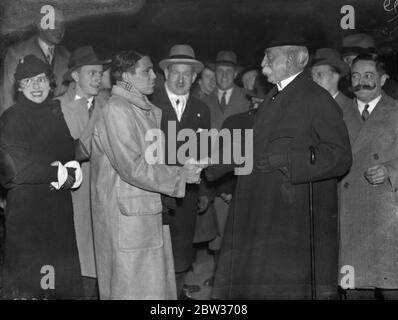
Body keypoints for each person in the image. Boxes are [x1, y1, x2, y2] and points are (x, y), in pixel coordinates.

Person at [211, 38, 352, 299]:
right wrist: (211, 163)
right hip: (264, 214)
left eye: (269, 56)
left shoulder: (316, 99)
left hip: (292, 222)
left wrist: (288, 159)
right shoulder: (275, 97)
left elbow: (339, 156)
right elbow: (256, 149)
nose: (263, 63)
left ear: (297, 59)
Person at [90, 50, 205, 300]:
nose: (155, 76)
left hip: (143, 213)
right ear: (125, 77)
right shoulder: (117, 110)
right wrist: (180, 176)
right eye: (146, 71)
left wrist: (185, 170)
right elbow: (132, 167)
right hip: (127, 219)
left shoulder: (140, 109)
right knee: (131, 290)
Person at [0, 55, 83, 299]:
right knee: (30, 288)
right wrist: (60, 172)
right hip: (28, 217)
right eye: (28, 81)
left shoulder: (54, 112)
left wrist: (70, 169)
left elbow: (68, 152)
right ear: (18, 87)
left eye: (40, 79)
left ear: (50, 81)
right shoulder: (12, 117)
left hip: (57, 212)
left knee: (58, 286)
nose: (36, 87)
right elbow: (15, 170)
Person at [150, 44, 212, 299]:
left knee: (182, 252)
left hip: (187, 193)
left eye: (187, 73)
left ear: (195, 77)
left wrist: (205, 190)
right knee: (154, 252)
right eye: (176, 72)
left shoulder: (201, 109)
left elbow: (205, 154)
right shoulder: (149, 104)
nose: (181, 78)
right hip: (154, 191)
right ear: (166, 73)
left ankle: (175, 295)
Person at [339, 54, 398, 300]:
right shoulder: (338, 113)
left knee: (390, 284)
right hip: (349, 212)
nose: (360, 82)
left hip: (387, 213)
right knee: (354, 288)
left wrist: (390, 170)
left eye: (368, 76)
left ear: (383, 79)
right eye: (355, 76)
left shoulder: (396, 111)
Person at [56, 46, 110, 299]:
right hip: (71, 197)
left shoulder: (108, 106)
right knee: (75, 262)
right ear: (75, 76)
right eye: (92, 73)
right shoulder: (57, 108)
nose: (98, 79)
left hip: (102, 193)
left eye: (100, 74)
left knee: (101, 261)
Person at [0, 6, 69, 115]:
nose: (59, 29)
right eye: (54, 23)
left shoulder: (67, 56)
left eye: (63, 25)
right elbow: (7, 100)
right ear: (40, 25)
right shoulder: (16, 53)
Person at [311, 48, 352, 116]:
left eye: (319, 75)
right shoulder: (309, 105)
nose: (314, 80)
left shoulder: (349, 108)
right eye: (312, 76)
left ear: (335, 77)